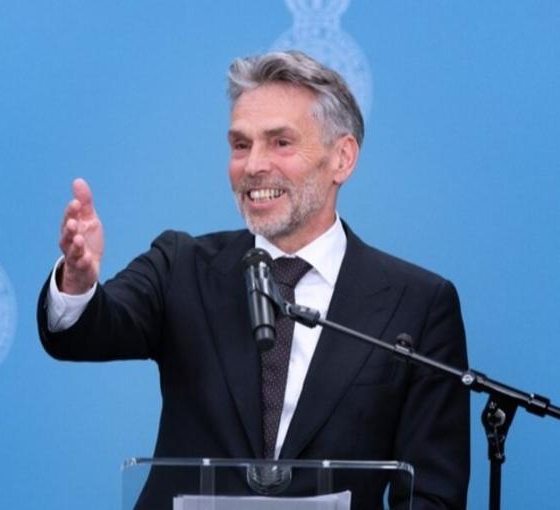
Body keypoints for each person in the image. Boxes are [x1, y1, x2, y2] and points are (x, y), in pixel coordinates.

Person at [37, 50, 469, 509]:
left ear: (342, 158)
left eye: (280, 142)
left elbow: (432, 495)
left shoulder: (418, 305)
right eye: (241, 145)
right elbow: (90, 330)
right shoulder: (181, 266)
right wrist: (77, 285)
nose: (253, 165)